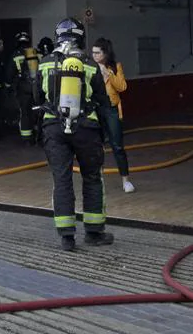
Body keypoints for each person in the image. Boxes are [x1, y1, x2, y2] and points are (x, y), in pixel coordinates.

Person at [37, 18, 114, 251]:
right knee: (92, 178)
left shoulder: (44, 63)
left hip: (53, 128)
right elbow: (103, 101)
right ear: (81, 37)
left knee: (61, 180)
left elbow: (37, 99)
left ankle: (67, 237)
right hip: (86, 129)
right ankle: (93, 232)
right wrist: (108, 134)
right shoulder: (90, 64)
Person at [92, 38, 134, 193]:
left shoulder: (115, 67)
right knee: (97, 145)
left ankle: (126, 180)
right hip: (96, 109)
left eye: (98, 53)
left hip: (111, 109)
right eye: (93, 53)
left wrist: (108, 73)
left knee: (117, 145)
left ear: (105, 53)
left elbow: (122, 87)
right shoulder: (90, 68)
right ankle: (98, 179)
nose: (94, 56)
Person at [6, 31, 40, 144]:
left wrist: (8, 86)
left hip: (23, 88)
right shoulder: (36, 53)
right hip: (37, 88)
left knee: (25, 112)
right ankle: (39, 135)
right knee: (38, 111)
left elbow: (9, 74)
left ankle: (26, 138)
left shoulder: (16, 55)